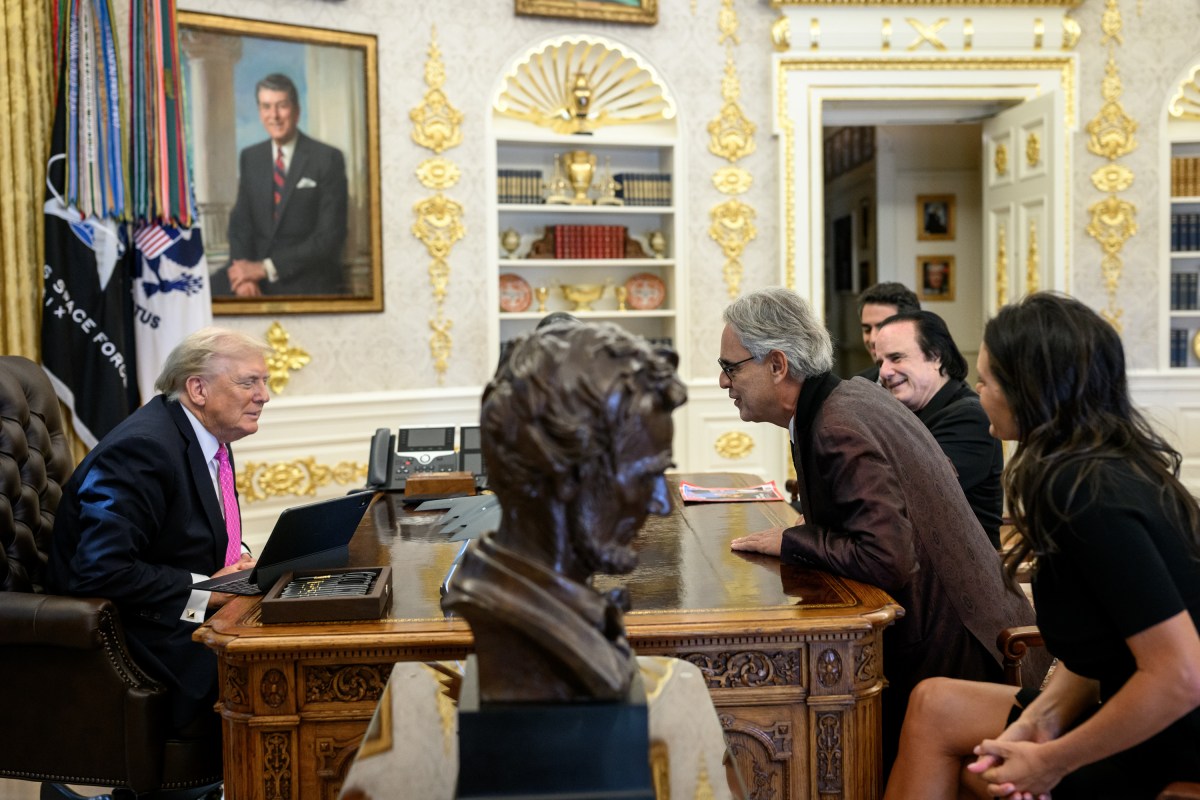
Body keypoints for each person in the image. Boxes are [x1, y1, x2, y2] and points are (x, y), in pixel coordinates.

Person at [885, 293, 1200, 800]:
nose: (979, 392)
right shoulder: (1096, 466)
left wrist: (1050, 762)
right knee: (932, 704)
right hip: (1132, 703)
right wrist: (1039, 723)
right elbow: (1098, 644)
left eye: (988, 381)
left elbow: (1181, 676)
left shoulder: (1085, 495)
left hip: (1169, 737)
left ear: (1029, 392)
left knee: (978, 774)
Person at [721, 287, 1046, 773]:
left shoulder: (837, 424)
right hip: (955, 633)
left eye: (731, 367)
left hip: (963, 653)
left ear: (776, 364)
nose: (724, 382)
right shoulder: (845, 398)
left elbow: (886, 558)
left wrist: (792, 539)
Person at [443, 321, 687, 702]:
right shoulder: (520, 629)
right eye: (645, 476)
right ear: (567, 474)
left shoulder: (555, 604)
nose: (662, 504)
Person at [46, 327, 271, 738]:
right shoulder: (143, 449)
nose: (264, 395)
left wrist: (240, 564)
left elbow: (194, 533)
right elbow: (99, 571)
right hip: (138, 633)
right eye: (249, 382)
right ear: (198, 388)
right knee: (274, 671)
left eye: (264, 381)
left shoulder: (209, 436)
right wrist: (205, 589)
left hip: (180, 609)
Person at [874, 310, 1003, 546]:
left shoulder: (971, 418)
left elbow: (901, 495)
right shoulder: (903, 411)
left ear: (936, 357)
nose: (884, 372)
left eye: (896, 358)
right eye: (880, 361)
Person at [220, 73, 348, 297]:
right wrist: (242, 275)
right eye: (266, 107)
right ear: (260, 112)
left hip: (306, 277)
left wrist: (266, 268)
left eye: (282, 106)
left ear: (296, 111)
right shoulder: (251, 157)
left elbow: (329, 236)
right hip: (255, 276)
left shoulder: (327, 158)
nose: (274, 116)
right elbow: (240, 223)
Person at [856, 282, 920, 382]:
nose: (873, 339)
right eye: (867, 329)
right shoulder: (861, 384)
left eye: (883, 328)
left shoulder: (932, 387)